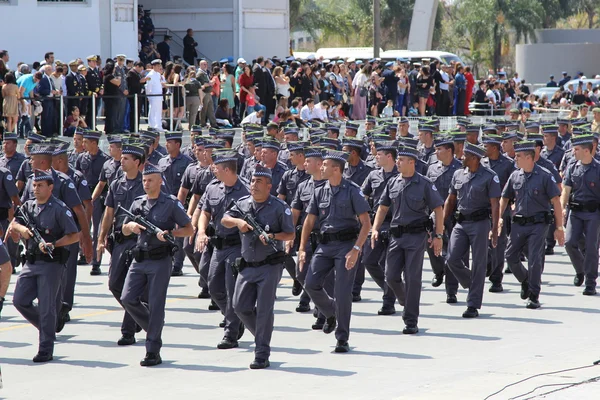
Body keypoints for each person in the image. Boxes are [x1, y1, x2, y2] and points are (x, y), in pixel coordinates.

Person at [297, 149, 371, 353]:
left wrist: (356, 249)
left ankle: (342, 337)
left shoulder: (352, 190)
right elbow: (309, 221)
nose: (321, 167)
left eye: (325, 164)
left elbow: (366, 223)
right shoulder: (319, 190)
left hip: (347, 245)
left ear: (336, 169)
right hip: (325, 245)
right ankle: (330, 311)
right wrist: (302, 248)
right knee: (310, 283)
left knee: (342, 291)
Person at [221, 164, 295, 369]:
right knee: (240, 306)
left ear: (269, 186)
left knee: (264, 310)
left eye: (259, 182)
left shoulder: (280, 207)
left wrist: (272, 236)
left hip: (269, 266)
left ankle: (261, 352)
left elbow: (290, 234)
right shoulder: (243, 204)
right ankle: (263, 335)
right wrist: (237, 223)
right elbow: (224, 219)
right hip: (246, 266)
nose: (254, 185)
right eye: (252, 181)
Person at [121, 163, 193, 366]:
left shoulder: (170, 203)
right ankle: (154, 325)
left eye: (150, 180)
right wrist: (130, 227)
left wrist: (171, 234)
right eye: (144, 180)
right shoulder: (137, 203)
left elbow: (189, 229)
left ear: (160, 181)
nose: (146, 183)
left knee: (156, 303)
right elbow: (124, 230)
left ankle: (153, 350)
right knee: (127, 298)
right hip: (139, 259)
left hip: (160, 260)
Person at [372, 145, 444, 333]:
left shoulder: (425, 183)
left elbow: (438, 209)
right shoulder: (393, 182)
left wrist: (438, 235)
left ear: (411, 162)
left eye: (401, 160)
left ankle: (411, 319)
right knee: (391, 276)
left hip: (416, 236)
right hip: (396, 236)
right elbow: (382, 207)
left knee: (413, 278)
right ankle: (405, 300)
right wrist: (375, 229)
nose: (397, 162)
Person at [10, 169, 80, 363]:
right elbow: (15, 223)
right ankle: (48, 327)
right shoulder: (28, 206)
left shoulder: (59, 208)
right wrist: (23, 229)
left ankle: (45, 349)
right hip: (31, 262)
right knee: (19, 300)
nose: (36, 189)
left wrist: (54, 244)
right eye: (34, 185)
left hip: (51, 263)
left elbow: (74, 235)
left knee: (47, 306)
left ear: (50, 187)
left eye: (40, 185)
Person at [194, 149, 249, 349]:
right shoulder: (213, 187)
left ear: (227, 169)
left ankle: (231, 333)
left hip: (237, 246)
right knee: (214, 286)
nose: (212, 170)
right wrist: (201, 232)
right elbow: (205, 212)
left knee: (231, 287)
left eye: (216, 167)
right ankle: (234, 316)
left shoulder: (245, 190)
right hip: (218, 245)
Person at [501, 141, 564, 309]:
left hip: (538, 224)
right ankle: (525, 280)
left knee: (534, 259)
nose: (515, 159)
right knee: (510, 256)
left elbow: (556, 201)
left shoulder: (544, 175)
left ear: (529, 157)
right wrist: (499, 218)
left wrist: (559, 227)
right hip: (519, 223)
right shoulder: (515, 175)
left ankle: (534, 294)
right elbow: (505, 197)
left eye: (518, 156)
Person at [97, 142, 146, 345]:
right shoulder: (116, 183)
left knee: (129, 287)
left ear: (137, 162)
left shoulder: (148, 183)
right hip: (119, 241)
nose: (121, 161)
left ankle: (128, 331)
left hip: (140, 241)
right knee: (115, 284)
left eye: (126, 159)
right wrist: (101, 238)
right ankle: (140, 315)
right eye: (122, 158)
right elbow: (109, 213)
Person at [444, 142, 501, 318]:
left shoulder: (490, 176)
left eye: (465, 155)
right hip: (460, 223)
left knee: (478, 263)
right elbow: (450, 199)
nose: (461, 157)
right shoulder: (458, 174)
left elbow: (495, 204)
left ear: (474, 158)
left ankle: (473, 304)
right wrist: (441, 222)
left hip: (480, 223)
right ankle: (472, 283)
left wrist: (494, 228)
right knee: (451, 259)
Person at [359, 140, 399, 315]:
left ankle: (388, 302)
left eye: (379, 154)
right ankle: (390, 288)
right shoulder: (373, 175)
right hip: (377, 223)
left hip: (396, 224)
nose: (376, 156)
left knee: (389, 264)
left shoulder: (401, 175)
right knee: (368, 260)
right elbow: (362, 195)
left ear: (389, 156)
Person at [561, 134, 600, 294]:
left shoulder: (598, 168)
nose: (573, 152)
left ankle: (590, 282)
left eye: (576, 149)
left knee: (591, 247)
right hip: (575, 212)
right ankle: (581, 270)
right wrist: (562, 208)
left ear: (586, 151)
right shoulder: (572, 167)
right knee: (569, 243)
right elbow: (566, 189)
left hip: (593, 213)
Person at [425, 136, 463, 298]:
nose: (436, 152)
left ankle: (451, 291)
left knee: (452, 252)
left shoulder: (460, 168)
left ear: (449, 150)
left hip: (454, 216)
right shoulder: (432, 168)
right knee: (430, 245)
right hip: (435, 215)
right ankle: (439, 270)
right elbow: (426, 193)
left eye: (439, 149)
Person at [75, 130, 110, 275]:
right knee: (81, 227)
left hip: (98, 198)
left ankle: (96, 262)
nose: (83, 144)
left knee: (96, 230)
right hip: (82, 197)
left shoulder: (105, 160)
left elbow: (103, 183)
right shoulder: (81, 158)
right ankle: (83, 254)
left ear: (94, 143)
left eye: (85, 142)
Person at [146, 59, 166, 131]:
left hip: (159, 95)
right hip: (153, 95)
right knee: (153, 111)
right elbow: (148, 86)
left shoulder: (158, 74)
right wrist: (148, 95)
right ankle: (152, 126)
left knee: (158, 111)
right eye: (158, 66)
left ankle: (158, 126)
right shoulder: (150, 75)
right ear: (153, 66)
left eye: (159, 66)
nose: (159, 67)